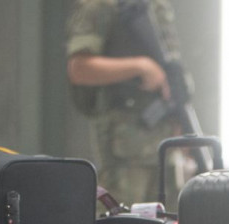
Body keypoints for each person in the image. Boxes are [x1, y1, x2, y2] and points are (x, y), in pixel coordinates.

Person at [66, 0, 184, 207]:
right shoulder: (101, 5)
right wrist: (139, 67)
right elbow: (79, 68)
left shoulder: (159, 6)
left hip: (164, 145)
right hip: (124, 149)